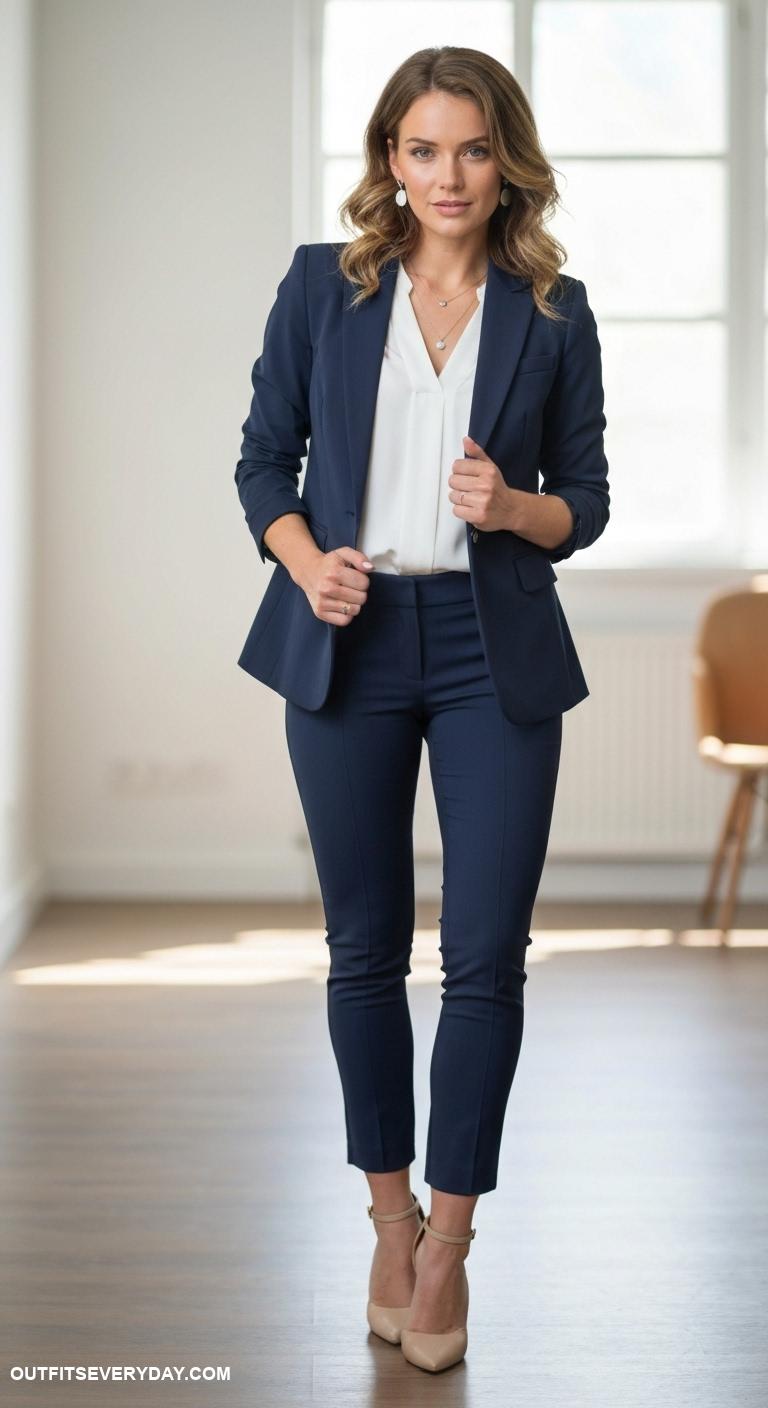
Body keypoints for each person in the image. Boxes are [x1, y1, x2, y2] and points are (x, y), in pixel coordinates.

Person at [234, 46, 610, 1374]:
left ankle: (450, 1243)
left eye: (470, 149)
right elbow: (261, 458)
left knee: (488, 956)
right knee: (362, 948)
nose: (447, 176)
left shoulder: (553, 310)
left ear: (503, 157)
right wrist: (304, 557)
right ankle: (385, 1217)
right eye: (421, 148)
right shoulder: (321, 291)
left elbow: (588, 504)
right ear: (387, 159)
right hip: (347, 639)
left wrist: (513, 508)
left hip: (488, 648)